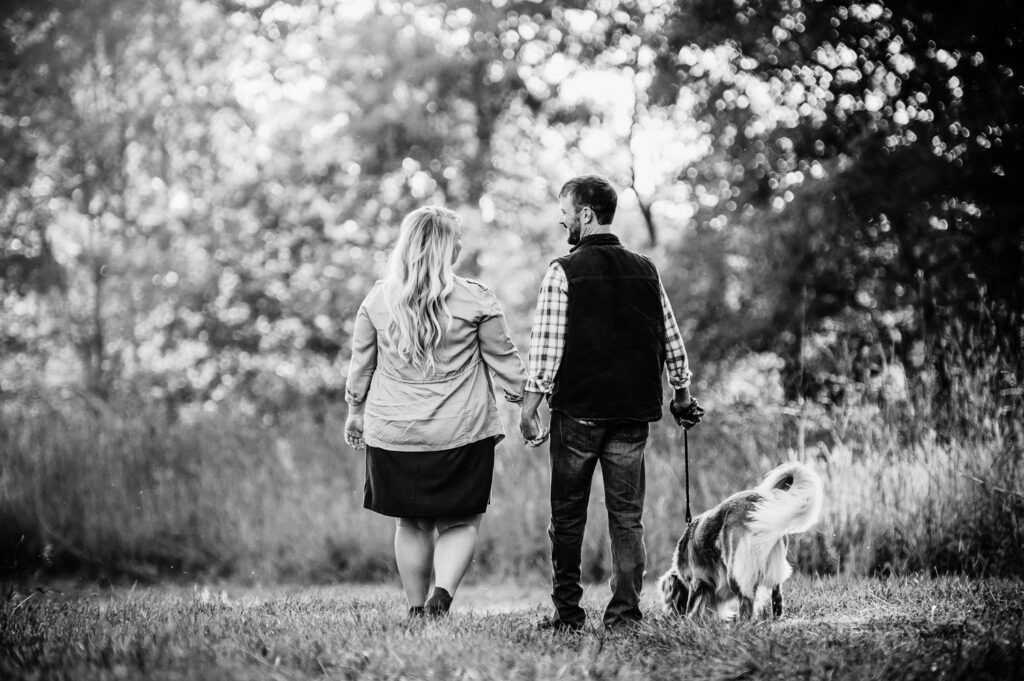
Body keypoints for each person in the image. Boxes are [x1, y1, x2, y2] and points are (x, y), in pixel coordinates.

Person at [519, 174, 704, 631]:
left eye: (565, 213)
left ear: (585, 214)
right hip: (631, 414)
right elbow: (671, 340)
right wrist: (682, 396)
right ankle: (624, 615)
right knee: (627, 519)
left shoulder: (563, 270)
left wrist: (529, 407)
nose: (562, 222)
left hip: (578, 414)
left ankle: (568, 615)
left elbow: (546, 350)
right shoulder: (646, 269)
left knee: (568, 517)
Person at [344, 205, 529, 617]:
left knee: (410, 523)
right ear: (446, 247)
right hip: (461, 432)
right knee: (460, 522)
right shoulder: (476, 298)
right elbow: (505, 362)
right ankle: (440, 598)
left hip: (394, 433)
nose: (461, 244)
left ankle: (416, 609)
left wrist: (355, 411)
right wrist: (527, 405)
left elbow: (362, 366)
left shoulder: (378, 299)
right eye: (457, 239)